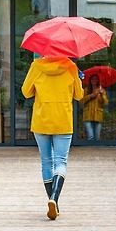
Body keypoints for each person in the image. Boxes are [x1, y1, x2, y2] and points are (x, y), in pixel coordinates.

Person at [21, 56, 83, 220]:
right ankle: (54, 199)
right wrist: (78, 78)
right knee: (60, 162)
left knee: (46, 161)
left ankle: (53, 201)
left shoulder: (36, 65)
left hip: (41, 120)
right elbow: (79, 95)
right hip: (63, 121)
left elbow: (26, 92)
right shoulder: (71, 67)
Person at [81, 74, 108, 141]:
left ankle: (96, 151)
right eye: (92, 79)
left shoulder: (101, 90)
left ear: (98, 80)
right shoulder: (86, 90)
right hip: (88, 115)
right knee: (91, 136)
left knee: (97, 137)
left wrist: (102, 95)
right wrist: (90, 96)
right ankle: (89, 150)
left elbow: (105, 103)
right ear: (90, 80)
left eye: (96, 79)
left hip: (97, 115)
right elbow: (81, 101)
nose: (94, 80)